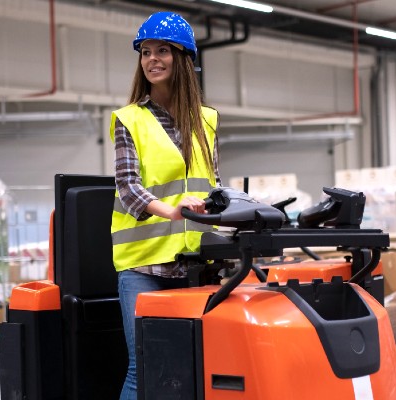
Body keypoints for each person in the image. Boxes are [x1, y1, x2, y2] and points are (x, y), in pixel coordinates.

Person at [109, 11, 221, 400]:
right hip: (144, 265)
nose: (152, 59)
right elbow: (128, 188)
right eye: (145, 52)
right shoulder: (130, 119)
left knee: (196, 363)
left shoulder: (206, 120)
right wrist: (173, 211)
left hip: (196, 262)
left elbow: (214, 184)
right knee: (144, 368)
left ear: (183, 59)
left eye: (163, 50)